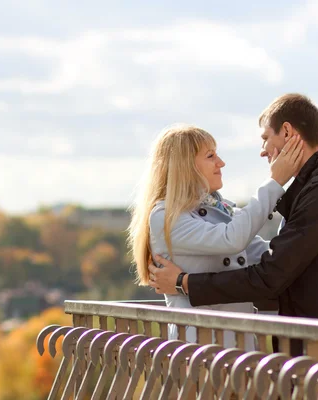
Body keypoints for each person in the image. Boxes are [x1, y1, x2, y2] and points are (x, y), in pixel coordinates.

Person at [148, 93, 318, 371]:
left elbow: (269, 270)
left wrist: (184, 283)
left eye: (265, 138)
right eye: (211, 155)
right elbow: (270, 259)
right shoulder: (313, 189)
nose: (263, 150)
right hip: (224, 349)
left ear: (287, 132)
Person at [127, 123, 304, 350]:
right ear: (185, 167)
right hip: (199, 350)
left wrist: (310, 239)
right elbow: (231, 240)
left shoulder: (219, 210)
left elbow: (263, 254)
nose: (221, 163)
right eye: (211, 156)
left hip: (237, 346)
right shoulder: (166, 217)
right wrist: (274, 182)